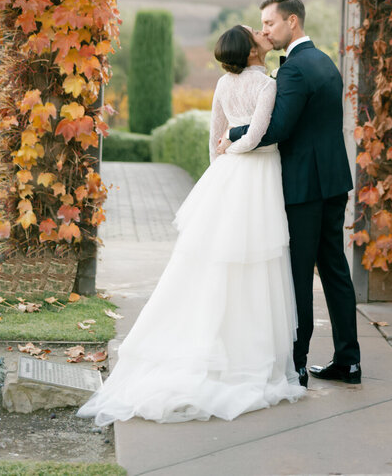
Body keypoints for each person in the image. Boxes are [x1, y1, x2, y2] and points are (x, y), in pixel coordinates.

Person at [76, 24, 305, 426]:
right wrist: (236, 148)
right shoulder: (267, 86)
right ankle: (247, 356)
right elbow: (255, 137)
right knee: (256, 261)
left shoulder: (221, 84)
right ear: (253, 52)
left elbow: (213, 138)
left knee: (218, 261)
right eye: (257, 35)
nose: (262, 35)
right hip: (256, 177)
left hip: (229, 177)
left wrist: (220, 173)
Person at [220, 0, 361, 386]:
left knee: (298, 274)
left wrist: (231, 133)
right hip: (334, 182)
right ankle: (348, 360)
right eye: (262, 25)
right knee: (335, 270)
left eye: (270, 23)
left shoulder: (294, 70)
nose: (265, 30)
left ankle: (296, 364)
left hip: (304, 188)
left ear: (292, 22)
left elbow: (277, 129)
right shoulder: (325, 62)